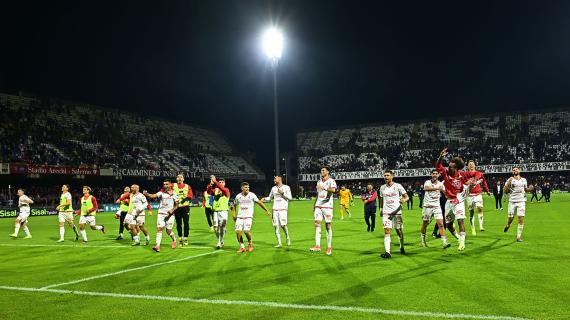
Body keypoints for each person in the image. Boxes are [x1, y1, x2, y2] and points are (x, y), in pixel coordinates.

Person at [435, 148, 477, 251]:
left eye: (451, 167)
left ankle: (462, 243)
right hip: (449, 201)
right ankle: (458, 238)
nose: (448, 168)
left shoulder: (462, 175)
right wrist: (441, 156)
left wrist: (472, 182)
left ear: (456, 168)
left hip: (458, 200)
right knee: (448, 225)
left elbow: (474, 176)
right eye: (448, 167)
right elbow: (437, 166)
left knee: (460, 221)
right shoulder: (446, 174)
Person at [232, 182, 270, 253]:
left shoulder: (252, 195)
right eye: (246, 187)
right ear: (242, 188)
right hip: (240, 217)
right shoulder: (238, 196)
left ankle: (250, 244)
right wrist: (234, 215)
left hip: (248, 216)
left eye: (248, 187)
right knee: (238, 232)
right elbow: (233, 205)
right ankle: (242, 247)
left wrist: (267, 210)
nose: (247, 189)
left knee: (246, 231)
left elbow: (259, 203)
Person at [379, 170, 409, 259]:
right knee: (387, 231)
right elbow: (381, 199)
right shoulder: (382, 187)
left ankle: (401, 246)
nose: (386, 177)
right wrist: (381, 209)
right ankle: (388, 252)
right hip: (386, 213)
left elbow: (407, 197)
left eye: (387, 175)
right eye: (384, 175)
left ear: (392, 176)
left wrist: (404, 200)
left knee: (399, 231)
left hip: (397, 213)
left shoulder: (398, 186)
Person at [144, 180, 179, 252]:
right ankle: (157, 245)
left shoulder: (175, 194)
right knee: (159, 229)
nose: (165, 185)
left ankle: (174, 240)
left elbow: (177, 205)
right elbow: (153, 196)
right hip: (161, 214)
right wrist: (146, 194)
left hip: (170, 215)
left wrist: (172, 210)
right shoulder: (161, 192)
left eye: (167, 184)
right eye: (164, 184)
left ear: (170, 185)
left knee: (168, 231)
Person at [310, 166, 337, 256]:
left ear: (328, 172)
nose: (321, 171)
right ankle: (318, 246)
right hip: (318, 205)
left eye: (323, 170)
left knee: (328, 226)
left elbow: (333, 190)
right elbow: (318, 194)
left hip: (327, 206)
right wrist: (314, 205)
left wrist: (325, 188)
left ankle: (329, 247)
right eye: (321, 170)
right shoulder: (319, 182)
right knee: (317, 223)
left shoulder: (331, 181)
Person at [420, 170, 451, 249]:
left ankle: (444, 242)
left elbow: (445, 193)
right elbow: (426, 188)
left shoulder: (441, 184)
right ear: (431, 175)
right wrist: (438, 188)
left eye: (436, 174)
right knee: (425, 224)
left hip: (437, 207)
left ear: (438, 175)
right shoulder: (427, 182)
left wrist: (452, 195)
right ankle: (423, 240)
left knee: (441, 224)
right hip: (427, 207)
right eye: (433, 173)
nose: (435, 175)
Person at [503, 167, 533, 242]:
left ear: (519, 171)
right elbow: (505, 191)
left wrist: (530, 189)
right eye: (514, 170)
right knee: (510, 218)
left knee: (521, 219)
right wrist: (509, 182)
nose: (515, 170)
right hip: (512, 202)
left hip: (521, 201)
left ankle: (518, 237)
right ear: (512, 172)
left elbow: (525, 189)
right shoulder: (510, 179)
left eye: (516, 169)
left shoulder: (524, 180)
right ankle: (508, 225)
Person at [262, 175, 292, 247]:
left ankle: (287, 237)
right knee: (276, 226)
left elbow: (290, 198)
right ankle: (279, 243)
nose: (274, 180)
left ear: (280, 179)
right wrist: (264, 199)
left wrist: (283, 193)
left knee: (283, 225)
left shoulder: (286, 187)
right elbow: (270, 197)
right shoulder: (273, 188)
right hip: (275, 209)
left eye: (275, 178)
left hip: (283, 209)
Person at [465, 160, 490, 235]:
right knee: (471, 212)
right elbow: (463, 183)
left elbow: (484, 182)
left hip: (478, 193)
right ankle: (473, 228)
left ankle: (481, 225)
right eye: (470, 164)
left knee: (480, 208)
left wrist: (487, 190)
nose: (471, 165)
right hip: (469, 195)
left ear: (475, 165)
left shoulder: (479, 173)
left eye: (472, 164)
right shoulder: (465, 174)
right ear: (468, 166)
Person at [207, 175, 230, 249]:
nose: (221, 183)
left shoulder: (226, 190)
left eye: (222, 182)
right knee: (216, 228)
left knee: (222, 226)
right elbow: (208, 192)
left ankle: (219, 242)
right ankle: (221, 240)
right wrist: (211, 184)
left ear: (225, 183)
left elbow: (222, 188)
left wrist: (215, 181)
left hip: (223, 211)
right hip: (215, 211)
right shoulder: (215, 191)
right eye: (220, 182)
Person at [172, 174, 194, 247]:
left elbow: (191, 196)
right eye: (178, 177)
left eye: (181, 177)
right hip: (177, 208)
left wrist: (183, 199)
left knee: (186, 222)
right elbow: (165, 189)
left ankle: (185, 238)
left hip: (185, 207)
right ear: (176, 178)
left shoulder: (187, 186)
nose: (179, 178)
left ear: (183, 179)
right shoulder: (173, 185)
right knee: (178, 223)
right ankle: (180, 238)